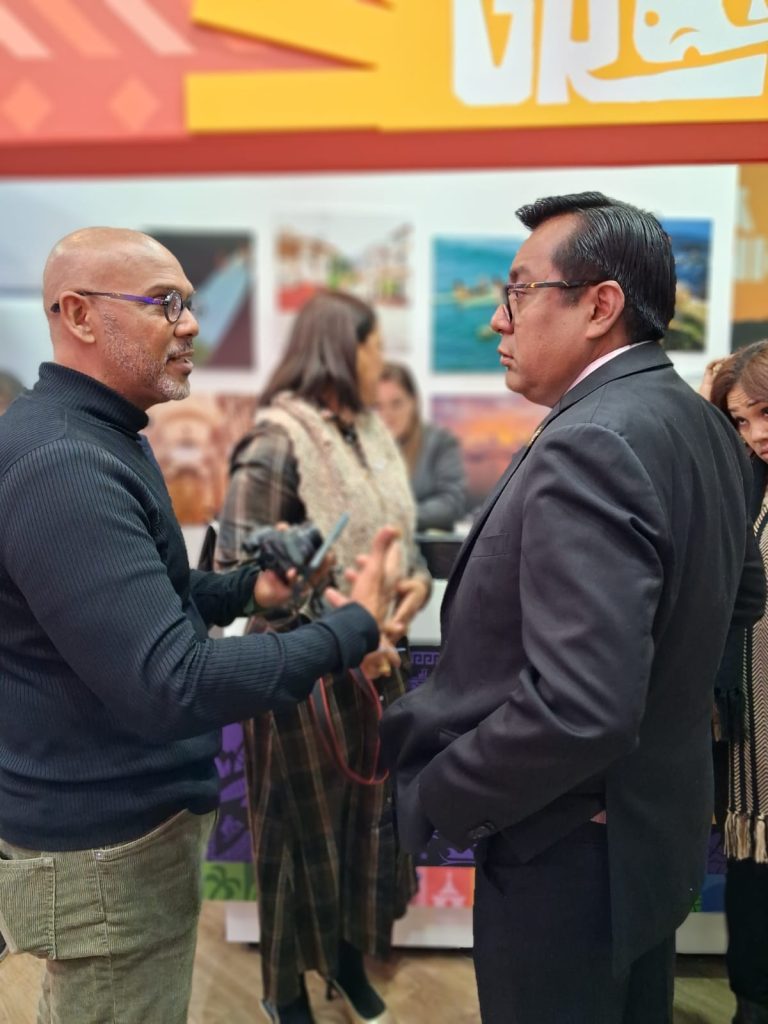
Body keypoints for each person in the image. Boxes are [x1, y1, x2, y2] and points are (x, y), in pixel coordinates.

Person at [379, 192, 765, 1024]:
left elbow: (582, 706)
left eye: (519, 290)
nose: (497, 318)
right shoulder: (701, 424)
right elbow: (743, 594)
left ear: (600, 306)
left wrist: (442, 789)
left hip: (564, 855)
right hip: (644, 838)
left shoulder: (593, 438)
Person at [0, 229, 401, 1024]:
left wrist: (249, 587)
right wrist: (351, 629)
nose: (190, 324)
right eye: (165, 303)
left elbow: (155, 600)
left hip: (116, 832)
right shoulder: (66, 463)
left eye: (188, 302)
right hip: (109, 852)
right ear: (78, 315)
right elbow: (173, 682)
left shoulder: (100, 434)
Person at [214, 290, 431, 1024]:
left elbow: (400, 542)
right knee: (294, 837)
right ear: (343, 348)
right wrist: (340, 630)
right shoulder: (275, 442)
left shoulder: (369, 433)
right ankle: (283, 990)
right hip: (297, 676)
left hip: (374, 669)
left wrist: (408, 590)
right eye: (374, 346)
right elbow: (239, 574)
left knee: (365, 830)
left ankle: (345, 961)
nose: (382, 361)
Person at [707, 342, 768, 1024]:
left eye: (764, 412)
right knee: (753, 869)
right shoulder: (745, 485)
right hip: (752, 732)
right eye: (740, 421)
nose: (756, 434)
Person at [376, 362, 467, 532]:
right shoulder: (366, 448)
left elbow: (451, 504)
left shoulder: (441, 442)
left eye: (396, 404)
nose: (387, 415)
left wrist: (400, 518)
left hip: (428, 545)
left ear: (414, 401)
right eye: (378, 406)